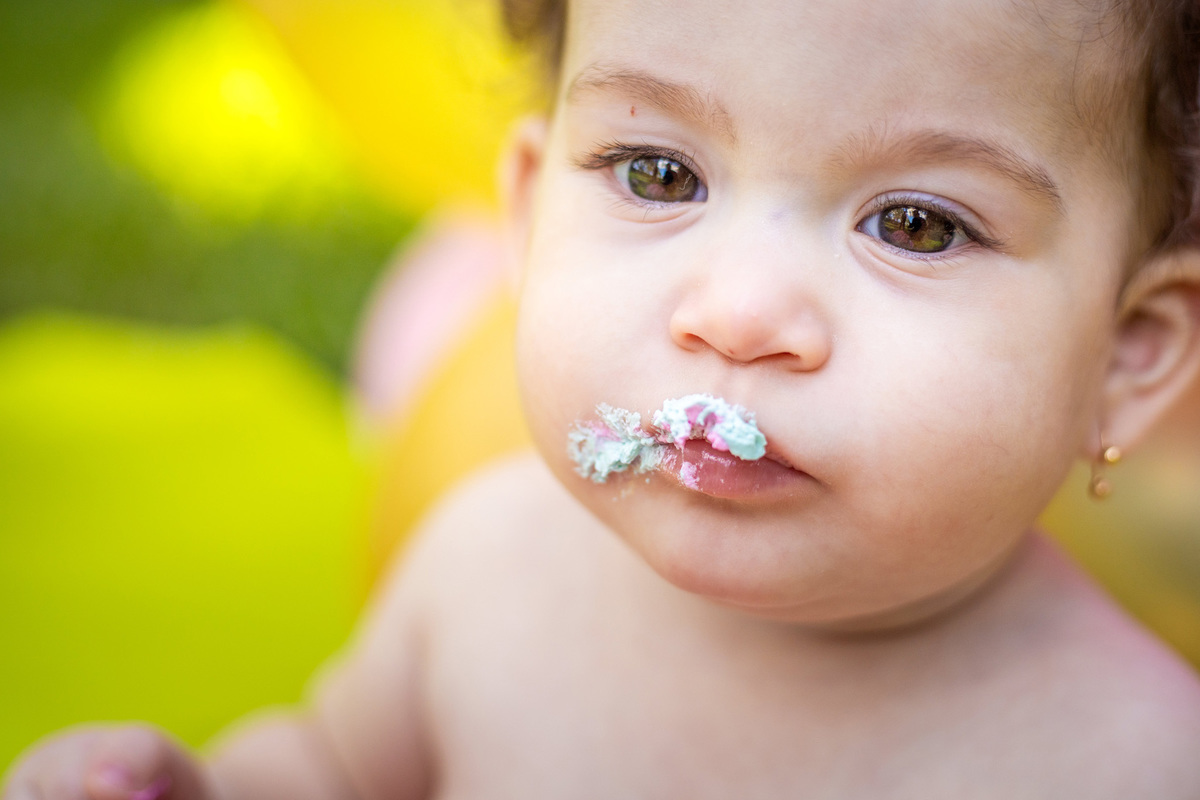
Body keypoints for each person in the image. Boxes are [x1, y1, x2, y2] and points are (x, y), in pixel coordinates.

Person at [7, 0, 1200, 796]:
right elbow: (329, 763)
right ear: (526, 219)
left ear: (1126, 352)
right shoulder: (488, 558)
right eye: (657, 171)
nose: (734, 313)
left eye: (916, 224)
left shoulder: (1129, 759)